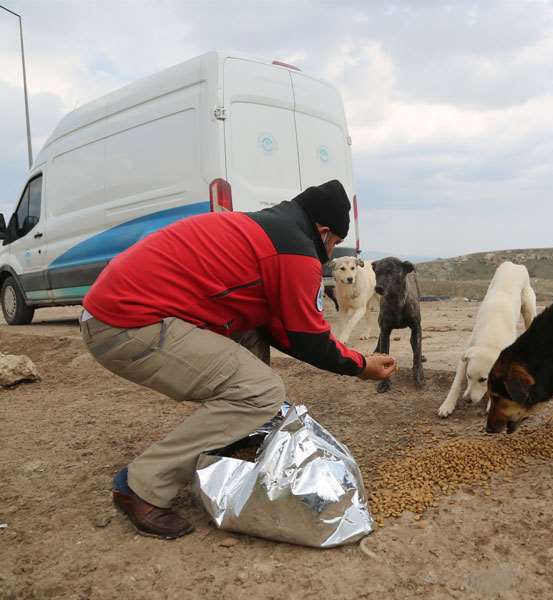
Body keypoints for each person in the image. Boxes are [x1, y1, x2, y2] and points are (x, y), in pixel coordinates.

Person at [80, 179, 396, 539]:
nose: (332, 252)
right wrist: (360, 365)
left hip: (118, 314)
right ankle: (140, 486)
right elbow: (308, 338)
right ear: (324, 231)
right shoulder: (294, 249)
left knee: (253, 337)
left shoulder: (270, 229)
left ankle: (237, 442)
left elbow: (281, 328)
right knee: (260, 392)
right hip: (124, 325)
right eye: (335, 243)